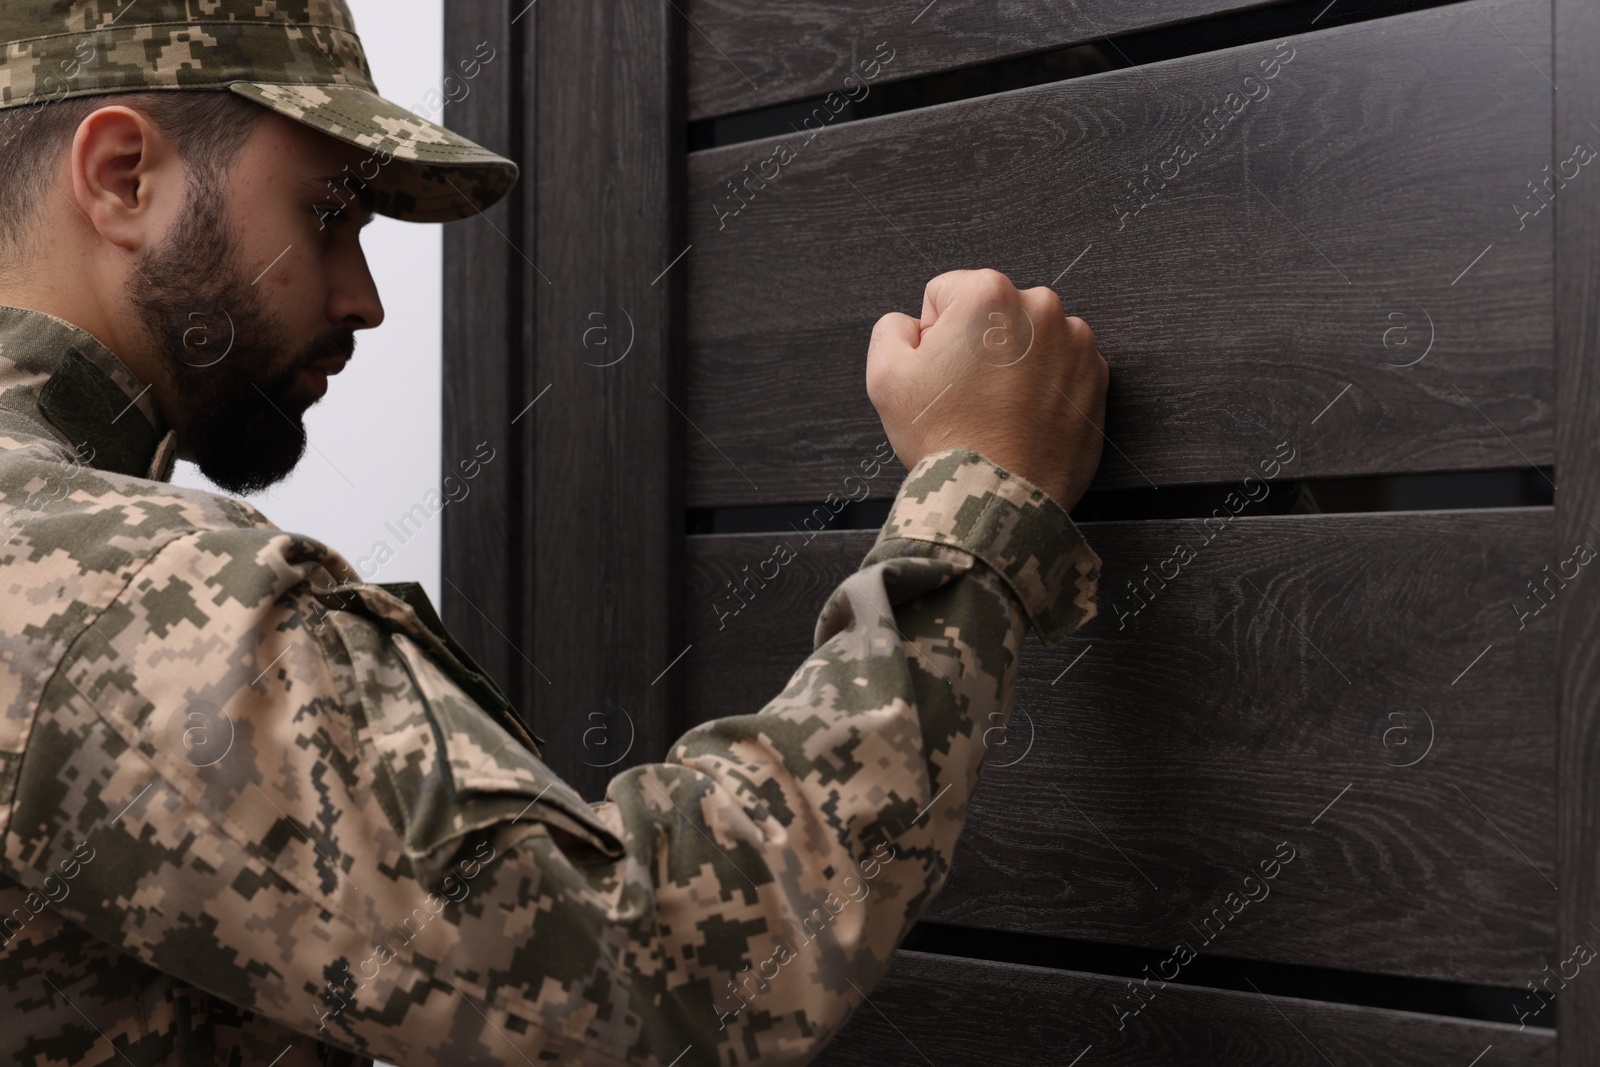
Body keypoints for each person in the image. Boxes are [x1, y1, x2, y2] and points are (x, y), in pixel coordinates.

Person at [0, 2, 1109, 1064]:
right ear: (122, 177)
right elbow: (660, 971)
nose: (363, 295)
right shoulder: (112, 587)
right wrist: (974, 513)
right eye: (329, 211)